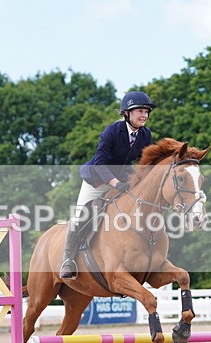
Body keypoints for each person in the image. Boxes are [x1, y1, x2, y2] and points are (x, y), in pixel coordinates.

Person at [59, 90, 155, 279]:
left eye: (146, 112)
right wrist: (115, 183)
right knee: (81, 216)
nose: (144, 115)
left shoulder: (145, 135)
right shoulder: (112, 131)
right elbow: (100, 163)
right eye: (139, 111)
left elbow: (144, 163)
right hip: (97, 179)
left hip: (123, 179)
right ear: (127, 113)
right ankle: (67, 259)